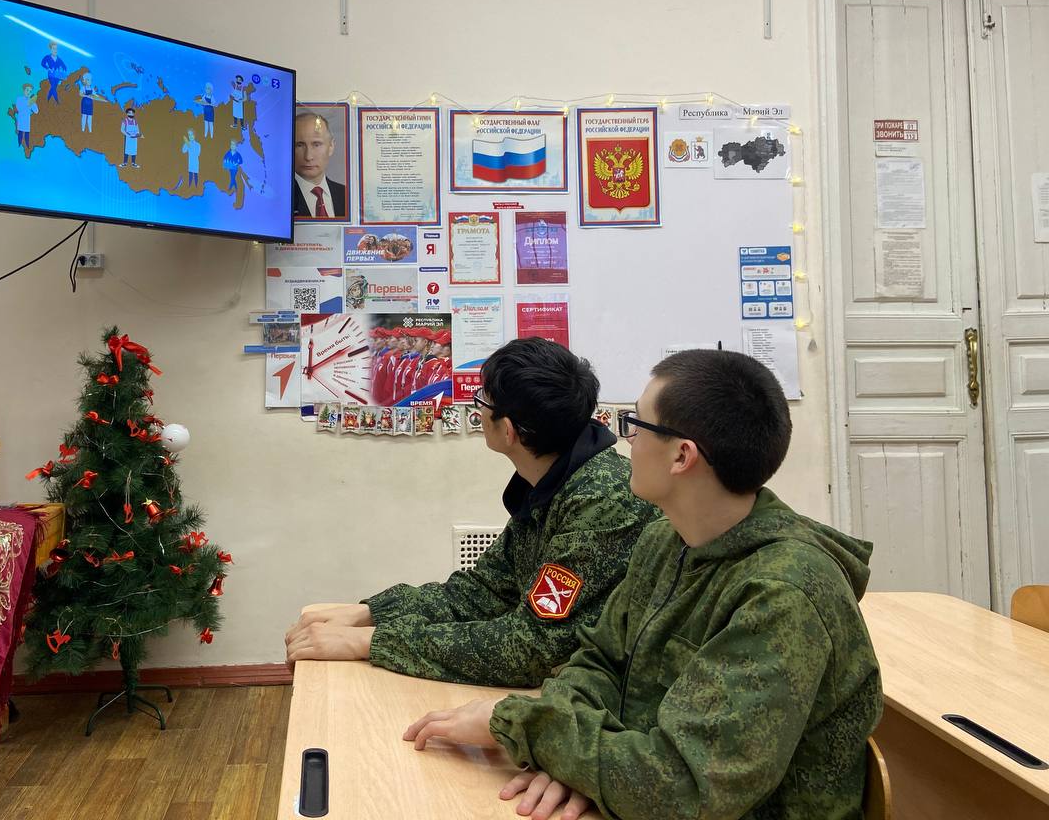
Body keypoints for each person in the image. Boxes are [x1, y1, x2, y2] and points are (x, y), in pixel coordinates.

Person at [403, 349, 883, 820]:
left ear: (681, 455)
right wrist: (573, 762)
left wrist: (526, 729)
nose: (624, 440)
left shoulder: (782, 595)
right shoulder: (665, 541)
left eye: (635, 424)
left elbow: (685, 789)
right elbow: (600, 661)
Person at [285, 337, 657, 686]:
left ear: (508, 430)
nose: (477, 409)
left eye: (482, 400)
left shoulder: (603, 501)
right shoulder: (555, 477)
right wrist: (371, 614)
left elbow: (531, 649)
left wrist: (369, 642)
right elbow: (484, 592)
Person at [292, 110, 348, 220]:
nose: (308, 157)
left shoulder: (347, 195)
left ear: (331, 147)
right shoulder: (280, 198)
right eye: (299, 145)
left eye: (316, 144)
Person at [14, 82, 38, 150]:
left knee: (27, 137)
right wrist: (29, 103)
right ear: (24, 90)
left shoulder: (31, 101)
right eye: (27, 90)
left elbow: (36, 111)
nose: (28, 92)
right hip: (21, 121)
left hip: (27, 122)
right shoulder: (19, 99)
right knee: (20, 135)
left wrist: (33, 102)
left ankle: (27, 147)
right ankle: (18, 147)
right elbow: (19, 108)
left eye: (30, 91)